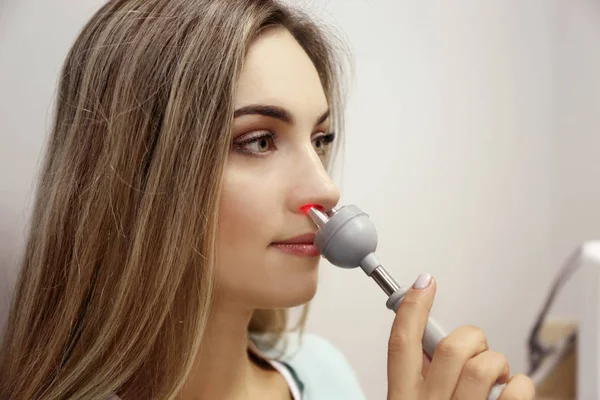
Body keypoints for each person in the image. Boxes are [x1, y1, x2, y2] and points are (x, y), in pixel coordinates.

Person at [0, 0, 536, 399]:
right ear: (138, 173)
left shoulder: (324, 375)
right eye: (258, 140)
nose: (326, 189)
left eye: (320, 140)